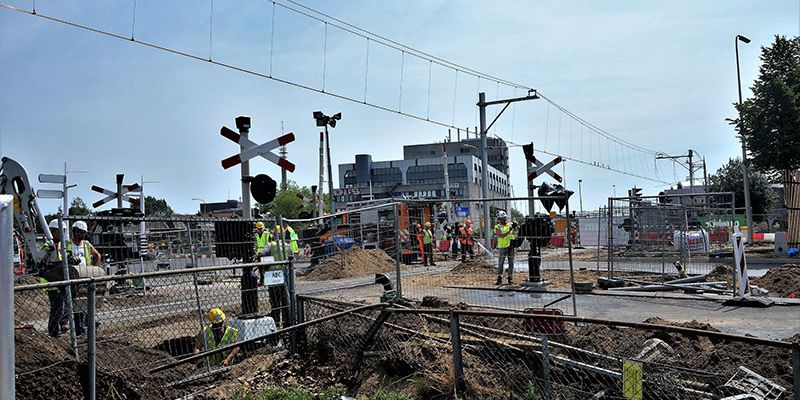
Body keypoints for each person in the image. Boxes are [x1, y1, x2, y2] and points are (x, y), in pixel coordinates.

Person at [39, 220, 68, 337]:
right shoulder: (48, 246)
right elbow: (43, 262)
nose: (61, 234)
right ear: (52, 231)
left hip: (60, 281)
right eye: (59, 231)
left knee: (63, 307)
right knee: (57, 309)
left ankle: (59, 327)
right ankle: (53, 332)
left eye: (63, 231)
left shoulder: (61, 246)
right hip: (52, 282)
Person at [494, 211, 517, 285]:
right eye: (502, 219)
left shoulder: (509, 225)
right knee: (501, 263)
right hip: (503, 247)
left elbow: (515, 231)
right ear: (499, 219)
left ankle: (510, 278)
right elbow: (501, 235)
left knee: (511, 263)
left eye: (505, 218)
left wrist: (515, 226)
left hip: (511, 246)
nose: (504, 220)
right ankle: (499, 278)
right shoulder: (497, 227)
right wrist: (509, 230)